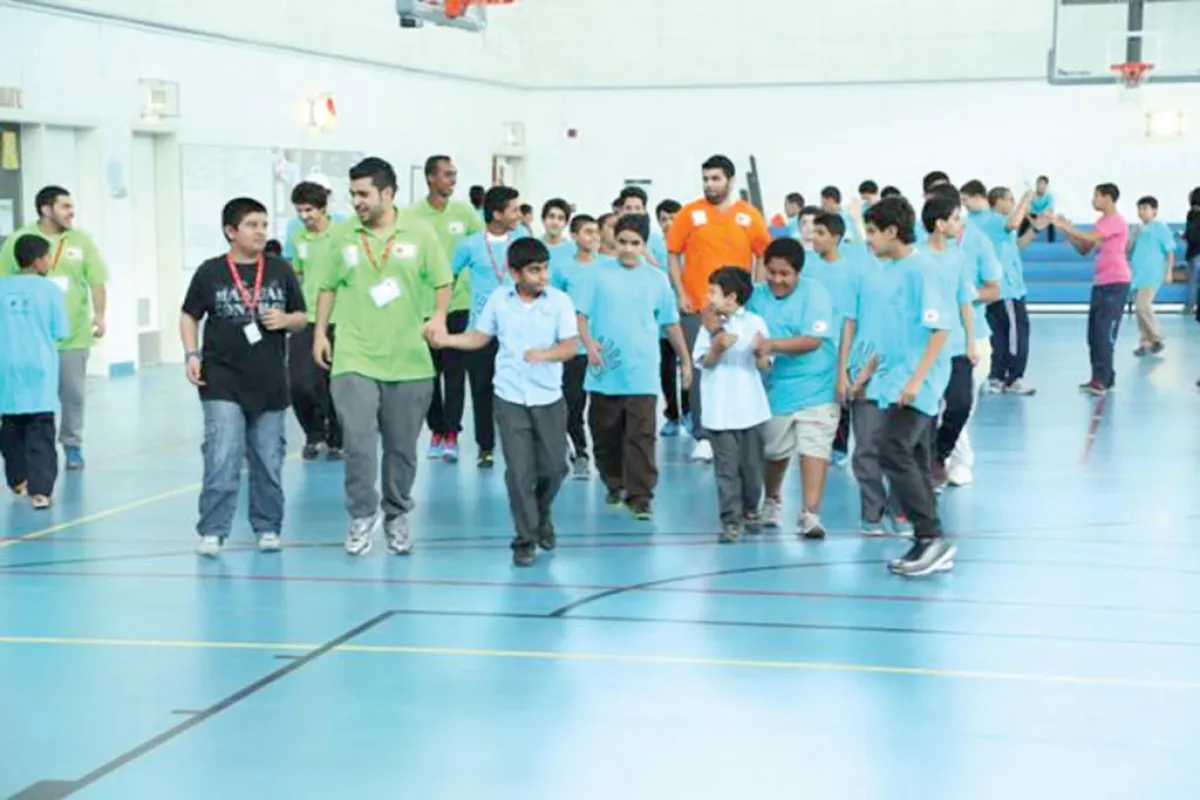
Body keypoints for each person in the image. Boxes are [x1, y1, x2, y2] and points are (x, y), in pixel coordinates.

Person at [313, 156, 451, 556]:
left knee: (401, 448)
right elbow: (327, 286)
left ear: (387, 193)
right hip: (354, 355)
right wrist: (320, 332)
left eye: (363, 193)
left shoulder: (420, 232)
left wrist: (439, 317)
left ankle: (397, 513)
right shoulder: (343, 236)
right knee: (357, 441)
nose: (356, 201)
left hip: (409, 359)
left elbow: (442, 280)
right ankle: (361, 514)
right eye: (352, 193)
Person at [434, 239, 578, 566]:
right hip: (510, 397)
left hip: (548, 398)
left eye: (545, 268)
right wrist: (448, 340)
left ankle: (541, 515)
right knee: (518, 472)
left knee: (555, 468)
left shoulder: (560, 302)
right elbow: (479, 337)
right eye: (534, 270)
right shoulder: (499, 300)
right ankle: (524, 539)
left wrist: (545, 354)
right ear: (515, 273)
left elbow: (570, 347)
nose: (543, 276)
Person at [180, 198, 308, 556]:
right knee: (222, 453)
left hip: (269, 380)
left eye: (264, 225)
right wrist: (191, 353)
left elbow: (301, 317)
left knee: (268, 458)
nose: (260, 232)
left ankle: (267, 526)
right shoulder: (210, 272)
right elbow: (189, 315)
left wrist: (285, 320)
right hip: (221, 378)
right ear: (230, 231)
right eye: (252, 225)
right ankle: (213, 530)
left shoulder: (280, 269)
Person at [860, 198, 956, 577]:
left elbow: (941, 328)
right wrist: (869, 368)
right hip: (894, 378)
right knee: (913, 457)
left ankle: (931, 535)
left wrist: (916, 380)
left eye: (872, 232)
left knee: (892, 448)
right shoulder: (890, 271)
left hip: (920, 381)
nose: (868, 239)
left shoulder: (922, 270)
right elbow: (894, 330)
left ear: (892, 231)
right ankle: (927, 539)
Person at [576, 214, 691, 519]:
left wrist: (686, 360)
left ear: (644, 245)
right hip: (605, 369)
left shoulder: (657, 279)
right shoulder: (596, 273)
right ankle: (614, 483)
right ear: (614, 240)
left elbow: (671, 323)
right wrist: (588, 344)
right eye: (623, 242)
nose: (628, 249)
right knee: (605, 433)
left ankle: (641, 495)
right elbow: (580, 315)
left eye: (635, 243)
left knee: (641, 436)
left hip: (642, 371)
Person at [666, 154, 770, 464]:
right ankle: (703, 436)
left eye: (716, 179)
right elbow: (673, 254)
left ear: (730, 180)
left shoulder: (749, 216)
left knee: (740, 369)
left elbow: (762, 254)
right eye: (706, 179)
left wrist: (754, 289)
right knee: (702, 370)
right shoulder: (689, 214)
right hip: (699, 308)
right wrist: (681, 293)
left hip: (736, 309)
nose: (710, 184)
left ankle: (739, 430)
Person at [0, 185, 107, 471]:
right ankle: (26, 449)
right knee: (29, 395)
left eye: (72, 207)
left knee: (73, 395)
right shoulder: (19, 240)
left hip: (73, 335)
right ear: (46, 210)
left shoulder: (81, 241)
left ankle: (72, 444)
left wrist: (100, 315)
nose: (71, 212)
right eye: (65, 207)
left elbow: (96, 280)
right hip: (29, 338)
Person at [746, 239, 838, 537]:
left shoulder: (816, 294)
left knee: (814, 448)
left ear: (798, 272)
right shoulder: (755, 297)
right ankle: (772, 499)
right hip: (775, 388)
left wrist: (771, 345)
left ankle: (810, 514)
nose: (777, 279)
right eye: (771, 272)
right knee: (773, 450)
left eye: (784, 274)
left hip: (817, 385)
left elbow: (813, 340)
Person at [404, 155, 483, 460]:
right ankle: (436, 428)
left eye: (454, 174)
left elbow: (481, 248)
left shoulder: (465, 213)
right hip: (425, 305)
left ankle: (452, 432)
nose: (453, 180)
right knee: (429, 373)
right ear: (430, 178)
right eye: (447, 174)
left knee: (455, 374)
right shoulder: (411, 215)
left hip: (459, 303)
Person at [693, 267, 771, 543]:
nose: (708, 297)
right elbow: (703, 362)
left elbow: (764, 364)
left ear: (731, 297)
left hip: (751, 408)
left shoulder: (756, 322)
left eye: (713, 292)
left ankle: (751, 509)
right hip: (719, 410)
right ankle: (730, 520)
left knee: (752, 468)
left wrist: (760, 353)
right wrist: (717, 348)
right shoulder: (708, 326)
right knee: (726, 470)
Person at [450, 185, 525, 467]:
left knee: (515, 390)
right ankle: (486, 446)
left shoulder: (521, 240)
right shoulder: (469, 245)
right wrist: (441, 311)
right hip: (480, 330)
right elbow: (449, 276)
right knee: (481, 390)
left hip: (516, 330)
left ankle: (517, 441)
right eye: (514, 210)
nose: (519, 215)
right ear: (496, 214)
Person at [0, 235, 69, 509]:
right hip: (39, 368)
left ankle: (18, 480)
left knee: (11, 427)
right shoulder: (50, 290)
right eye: (48, 257)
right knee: (40, 430)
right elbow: (60, 331)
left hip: (7, 367)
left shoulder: (1, 287)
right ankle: (40, 492)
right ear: (39, 261)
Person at [919, 193, 979, 490]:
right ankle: (928, 462)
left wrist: (971, 342)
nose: (959, 224)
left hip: (955, 346)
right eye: (955, 219)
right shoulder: (916, 258)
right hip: (926, 347)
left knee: (960, 404)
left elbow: (965, 301)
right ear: (940, 224)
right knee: (927, 409)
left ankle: (940, 453)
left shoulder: (959, 257)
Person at [1054, 183, 1132, 396]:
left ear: (1107, 198)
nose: (1093, 200)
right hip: (1101, 283)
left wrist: (1068, 226)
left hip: (1116, 283)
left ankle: (1103, 379)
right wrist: (1066, 230)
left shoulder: (1116, 221)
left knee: (1104, 332)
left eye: (1096, 196)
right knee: (1094, 334)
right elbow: (1084, 247)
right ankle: (1101, 376)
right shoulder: (1101, 222)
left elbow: (1090, 237)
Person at [962, 180, 1035, 395]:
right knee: (1015, 334)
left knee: (998, 336)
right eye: (1010, 200)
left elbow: (1015, 242)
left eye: (965, 200)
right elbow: (1013, 223)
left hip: (992, 287)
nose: (964, 205)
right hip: (1007, 290)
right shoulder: (991, 219)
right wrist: (1026, 199)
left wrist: (1035, 228)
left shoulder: (974, 223)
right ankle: (1013, 378)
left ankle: (996, 376)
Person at [289, 180, 343, 460]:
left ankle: (338, 439)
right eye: (300, 210)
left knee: (335, 383)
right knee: (299, 383)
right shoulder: (298, 238)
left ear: (322, 208)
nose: (304, 216)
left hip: (340, 318)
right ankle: (313, 434)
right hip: (306, 318)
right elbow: (297, 276)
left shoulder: (343, 234)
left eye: (309, 210)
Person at [806, 213, 860, 468]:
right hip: (815, 342)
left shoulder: (852, 270)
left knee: (843, 395)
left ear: (836, 238)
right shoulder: (807, 267)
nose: (814, 238)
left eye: (820, 233)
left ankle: (839, 445)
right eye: (813, 232)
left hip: (844, 342)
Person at [551, 213, 601, 479]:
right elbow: (553, 305)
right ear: (574, 236)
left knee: (602, 407)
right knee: (574, 404)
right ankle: (580, 453)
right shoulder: (562, 270)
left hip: (602, 348)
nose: (593, 237)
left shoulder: (607, 266)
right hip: (575, 349)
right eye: (587, 232)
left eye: (596, 232)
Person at [653, 199, 689, 436]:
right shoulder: (652, 246)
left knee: (688, 365)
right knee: (666, 369)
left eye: (673, 218)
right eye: (664, 219)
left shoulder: (689, 247)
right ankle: (672, 414)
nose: (669, 223)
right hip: (661, 320)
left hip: (685, 314)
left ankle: (689, 411)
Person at [1128, 195, 1175, 356]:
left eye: (1145, 208)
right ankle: (1145, 343)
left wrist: (1169, 271)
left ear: (1154, 210)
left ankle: (1157, 336)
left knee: (1143, 306)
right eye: (1139, 209)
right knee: (1139, 310)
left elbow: (1169, 251)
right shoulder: (1138, 230)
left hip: (1152, 274)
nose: (1141, 212)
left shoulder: (1160, 227)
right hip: (1137, 274)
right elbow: (1128, 250)